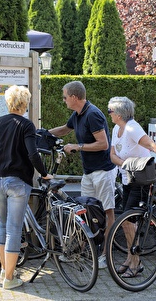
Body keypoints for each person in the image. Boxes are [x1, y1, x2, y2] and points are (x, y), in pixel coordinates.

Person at [0, 85, 53, 290]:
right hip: (17, 183)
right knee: (14, 229)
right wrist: (44, 173)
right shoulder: (26, 125)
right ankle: (10, 279)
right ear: (24, 104)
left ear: (8, 102)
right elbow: (33, 154)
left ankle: (5, 270)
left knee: (3, 225)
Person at [49, 81, 117, 269]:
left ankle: (106, 254)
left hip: (103, 171)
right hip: (89, 172)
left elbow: (103, 144)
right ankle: (80, 249)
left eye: (64, 97)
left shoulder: (93, 114)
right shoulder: (78, 114)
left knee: (107, 211)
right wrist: (42, 134)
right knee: (84, 211)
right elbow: (65, 129)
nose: (63, 100)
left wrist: (77, 147)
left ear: (74, 97)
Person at [108, 96, 156, 277]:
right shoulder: (117, 128)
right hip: (127, 178)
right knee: (129, 222)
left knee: (127, 220)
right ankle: (131, 258)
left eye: (110, 111)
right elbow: (112, 154)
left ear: (119, 114)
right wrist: (125, 165)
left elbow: (150, 143)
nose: (109, 114)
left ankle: (135, 261)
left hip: (141, 179)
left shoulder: (132, 127)